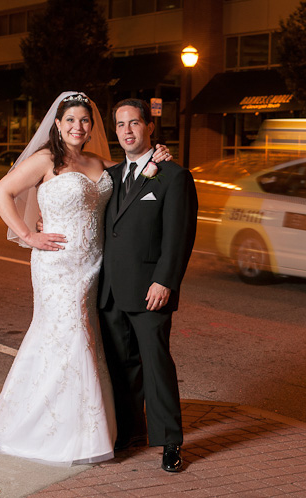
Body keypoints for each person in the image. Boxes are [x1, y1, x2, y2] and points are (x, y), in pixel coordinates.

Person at [0, 91, 171, 465]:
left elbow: (135, 172)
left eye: (85, 121)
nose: (79, 127)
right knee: (69, 334)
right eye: (71, 121)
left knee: (88, 338)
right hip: (57, 264)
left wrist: (157, 157)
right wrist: (29, 236)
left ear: (91, 126)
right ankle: (63, 431)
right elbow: (1, 193)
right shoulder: (46, 160)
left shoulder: (100, 162)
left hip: (96, 265)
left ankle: (97, 425)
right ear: (58, 125)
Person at [98, 98, 198, 472]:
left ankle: (169, 441)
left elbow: (179, 236)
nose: (127, 130)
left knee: (156, 367)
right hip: (110, 292)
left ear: (149, 127)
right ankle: (131, 432)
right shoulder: (109, 178)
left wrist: (165, 281)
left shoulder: (173, 176)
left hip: (149, 291)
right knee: (122, 367)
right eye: (120, 124)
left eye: (134, 123)